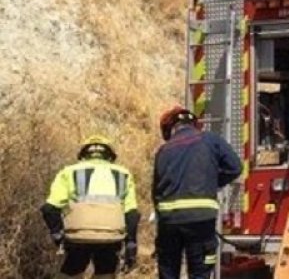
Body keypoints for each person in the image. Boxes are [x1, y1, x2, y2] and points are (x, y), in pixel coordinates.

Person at [154, 106, 243, 279]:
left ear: (171, 128)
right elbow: (235, 167)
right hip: (200, 220)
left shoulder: (163, 151)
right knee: (200, 273)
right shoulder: (210, 140)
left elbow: (156, 192)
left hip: (169, 222)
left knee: (168, 272)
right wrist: (211, 182)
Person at [41, 135, 140, 279]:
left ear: (83, 155)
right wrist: (131, 242)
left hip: (77, 237)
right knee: (106, 271)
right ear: (110, 155)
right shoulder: (123, 174)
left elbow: (49, 209)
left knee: (72, 270)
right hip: (111, 237)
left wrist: (58, 235)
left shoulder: (68, 172)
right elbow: (131, 213)